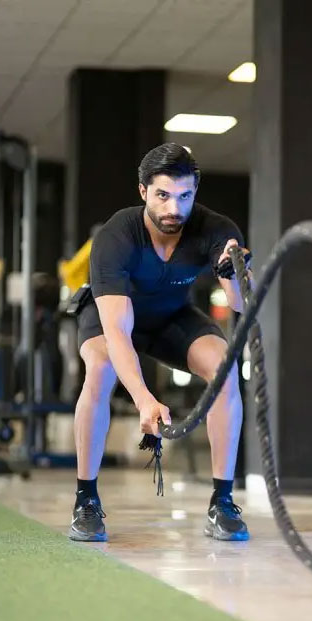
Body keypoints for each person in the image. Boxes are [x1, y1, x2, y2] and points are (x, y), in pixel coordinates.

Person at [70, 143, 252, 543]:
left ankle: (222, 502)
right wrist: (143, 400)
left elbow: (239, 304)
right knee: (101, 367)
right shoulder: (117, 236)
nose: (174, 208)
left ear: (195, 192)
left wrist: (234, 272)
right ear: (143, 192)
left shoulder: (217, 230)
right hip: (113, 318)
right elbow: (118, 332)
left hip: (170, 317)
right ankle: (86, 500)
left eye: (184, 196)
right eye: (163, 195)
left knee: (225, 368)